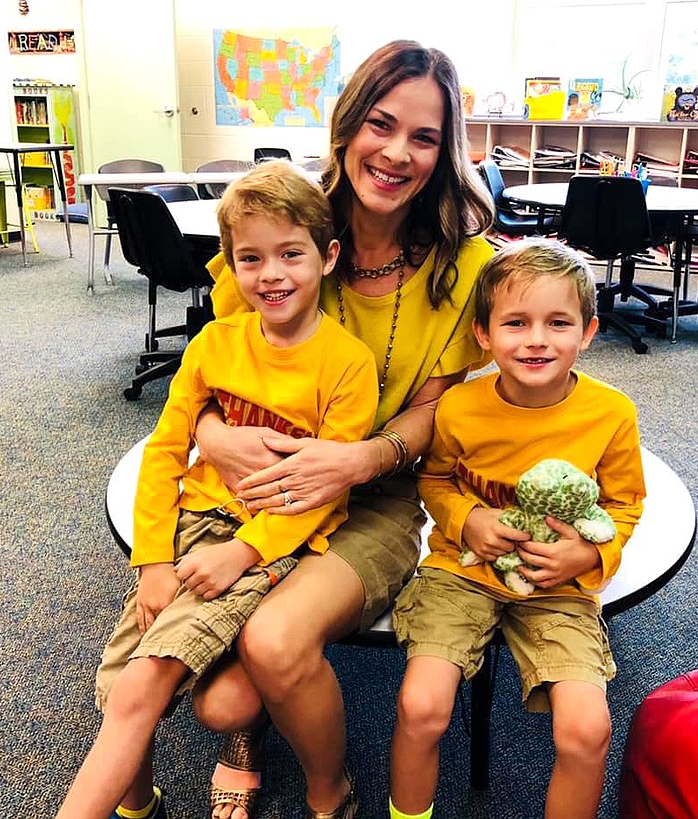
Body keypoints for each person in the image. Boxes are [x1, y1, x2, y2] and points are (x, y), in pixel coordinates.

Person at [189, 40, 495, 819]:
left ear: (443, 150)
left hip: (376, 501)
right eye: (381, 124)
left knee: (272, 643)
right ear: (348, 122)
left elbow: (432, 408)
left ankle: (331, 793)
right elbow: (213, 366)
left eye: (424, 137)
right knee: (221, 702)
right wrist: (215, 434)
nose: (396, 153)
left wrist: (362, 458)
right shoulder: (279, 219)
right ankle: (246, 732)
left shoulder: (463, 263)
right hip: (253, 484)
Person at [56, 161, 380, 819]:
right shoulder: (213, 343)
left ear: (329, 255)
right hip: (188, 528)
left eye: (291, 254)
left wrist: (245, 552)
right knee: (119, 687)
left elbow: (320, 492)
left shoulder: (347, 363)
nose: (272, 274)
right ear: (230, 265)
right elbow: (166, 452)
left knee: (144, 682)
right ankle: (140, 803)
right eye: (251, 259)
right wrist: (151, 559)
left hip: (263, 541)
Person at [388, 239, 647, 819]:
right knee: (420, 706)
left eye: (558, 322)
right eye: (515, 322)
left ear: (587, 331)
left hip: (559, 587)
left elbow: (625, 505)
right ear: (483, 334)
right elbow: (434, 481)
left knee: (587, 729)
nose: (536, 339)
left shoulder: (611, 414)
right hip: (463, 572)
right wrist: (468, 519)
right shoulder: (457, 406)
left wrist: (586, 558)